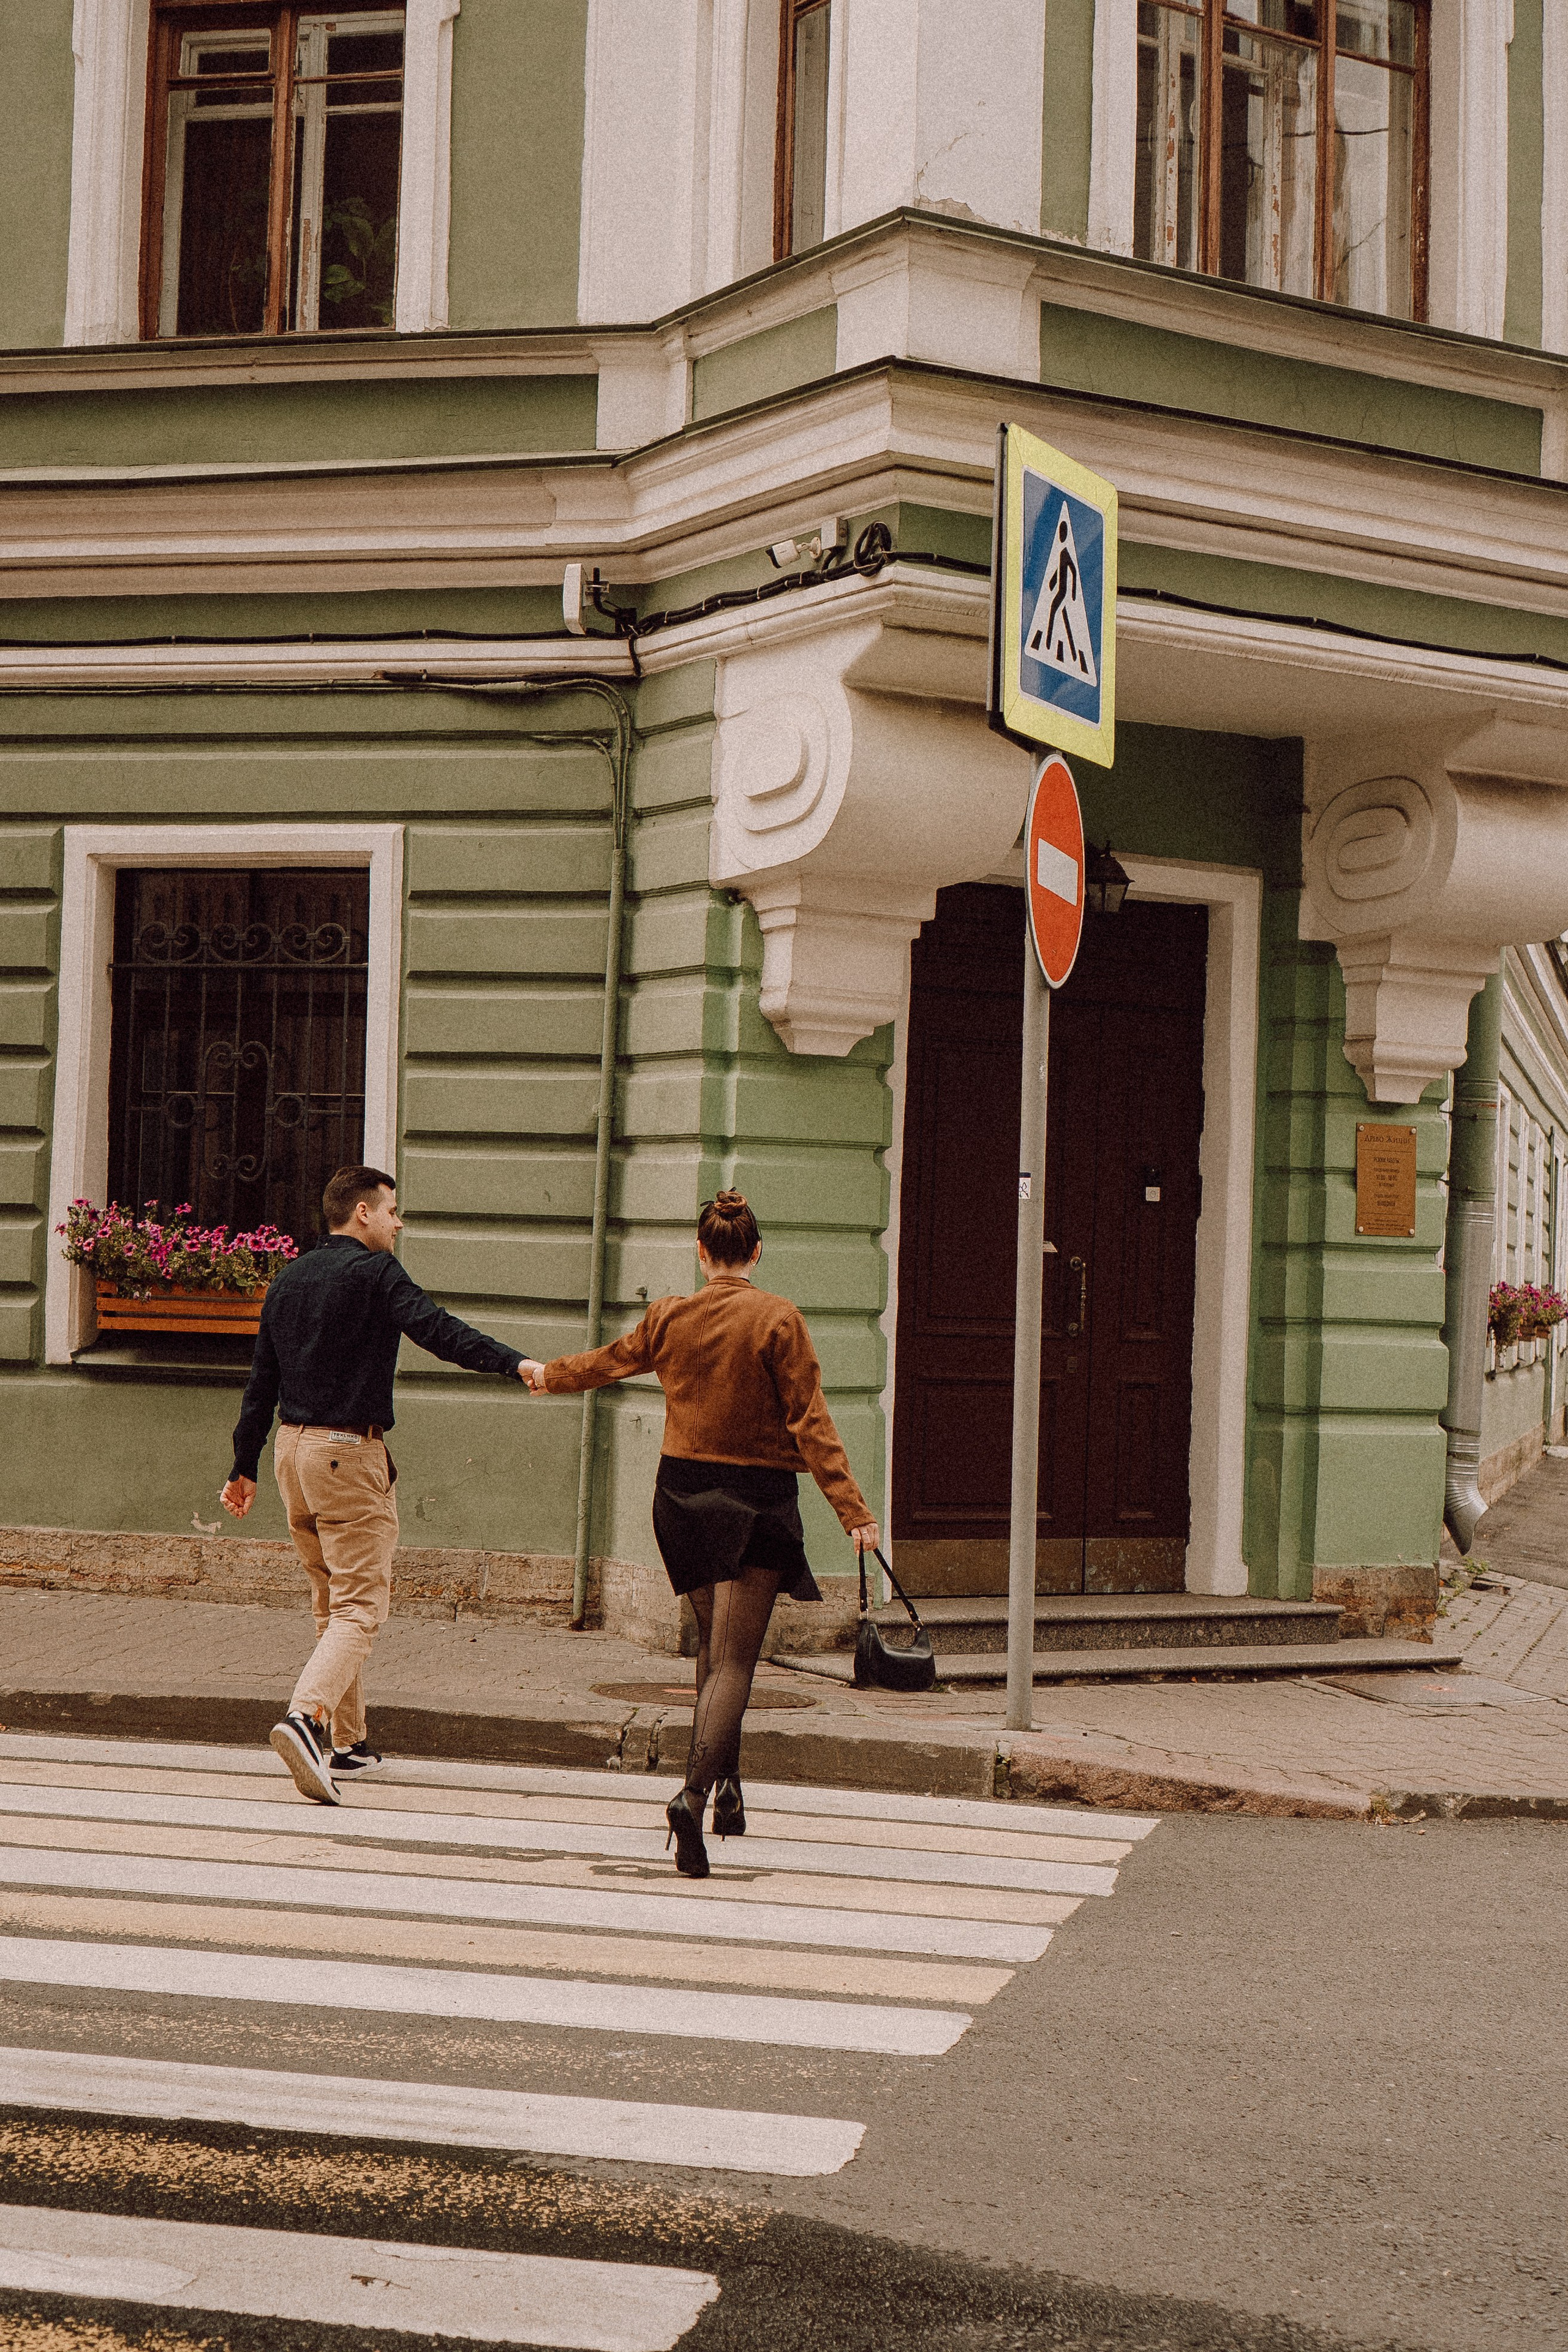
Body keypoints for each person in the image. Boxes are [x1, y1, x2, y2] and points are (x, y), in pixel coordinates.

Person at [519, 1190, 877, 1879]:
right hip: (755, 1501)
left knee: (715, 1653)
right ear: (757, 1251)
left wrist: (547, 1376)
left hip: (680, 1495)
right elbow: (810, 1421)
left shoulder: (670, 1316)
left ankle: (728, 1790)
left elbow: (612, 1360)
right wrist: (853, 1511)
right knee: (736, 1661)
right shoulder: (777, 1318)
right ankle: (690, 1794)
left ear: (700, 1249)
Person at [222, 1165, 530, 1806]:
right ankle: (306, 1720)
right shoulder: (374, 1273)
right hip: (345, 1454)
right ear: (362, 1212)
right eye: (392, 1209)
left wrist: (242, 1466)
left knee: (329, 1602)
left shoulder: (289, 1277)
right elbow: (439, 1330)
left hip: (291, 1453)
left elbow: (261, 1382)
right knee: (361, 1607)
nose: (398, 1221)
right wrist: (514, 1362)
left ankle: (348, 1742)